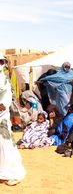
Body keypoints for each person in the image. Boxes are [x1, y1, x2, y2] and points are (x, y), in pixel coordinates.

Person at [0, 52, 26, 185]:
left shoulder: (4, 80)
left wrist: (2, 106)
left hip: (2, 119)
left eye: (0, 62)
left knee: (5, 144)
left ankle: (13, 173)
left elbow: (5, 101)